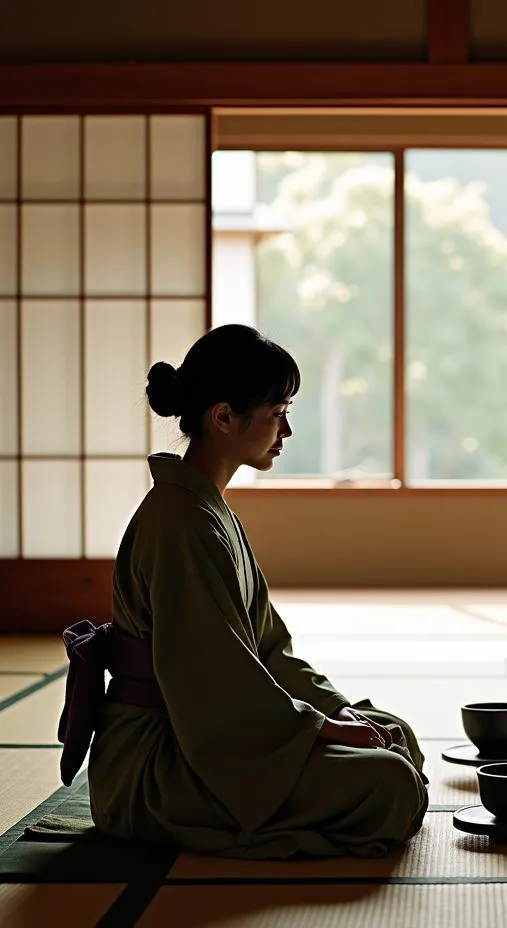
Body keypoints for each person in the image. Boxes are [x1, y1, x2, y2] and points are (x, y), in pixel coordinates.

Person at [61, 325, 428, 859]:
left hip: (214, 734)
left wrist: (336, 711)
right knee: (388, 784)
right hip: (159, 761)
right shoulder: (181, 523)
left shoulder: (207, 510)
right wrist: (317, 730)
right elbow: (214, 687)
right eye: (278, 412)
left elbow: (267, 651)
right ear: (224, 417)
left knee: (395, 734)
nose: (288, 430)